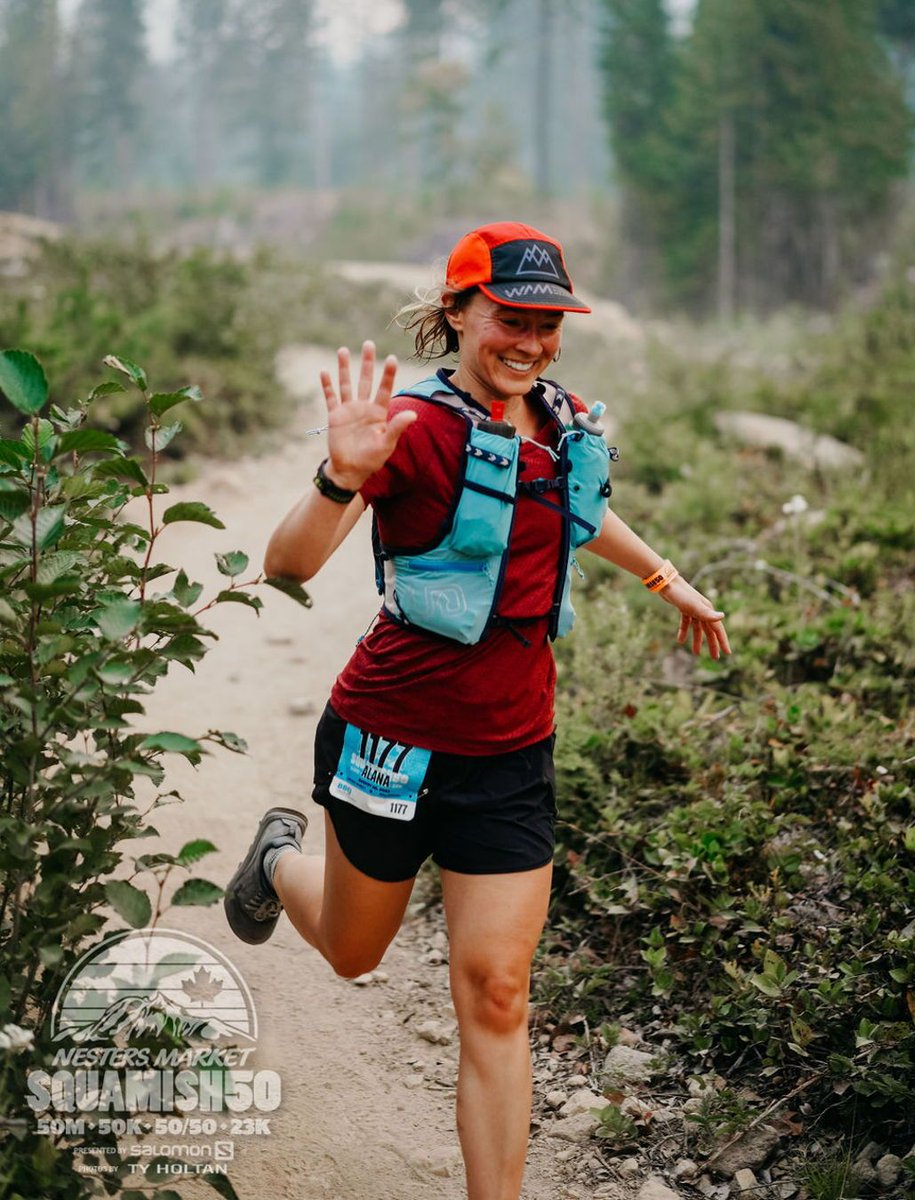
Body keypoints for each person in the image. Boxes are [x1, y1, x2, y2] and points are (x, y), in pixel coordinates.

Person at [224, 221, 731, 1200]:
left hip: (510, 751)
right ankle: (277, 859)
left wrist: (669, 580)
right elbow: (287, 567)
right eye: (510, 317)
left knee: (497, 996)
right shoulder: (412, 430)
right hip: (390, 739)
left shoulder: (560, 418)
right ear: (458, 312)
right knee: (353, 952)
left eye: (548, 323)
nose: (531, 341)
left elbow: (577, 512)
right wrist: (343, 474)